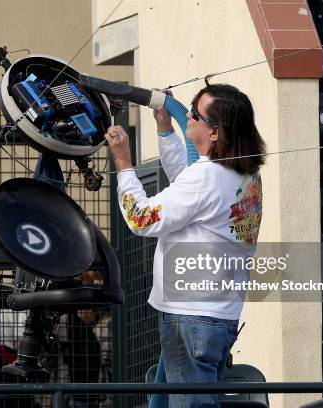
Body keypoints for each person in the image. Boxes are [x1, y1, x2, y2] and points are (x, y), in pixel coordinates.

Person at [104, 83, 265, 408]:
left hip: (190, 318)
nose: (187, 114)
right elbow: (187, 183)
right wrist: (166, 128)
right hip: (218, 315)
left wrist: (123, 162)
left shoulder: (207, 178)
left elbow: (141, 218)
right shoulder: (245, 174)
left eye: (194, 113)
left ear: (216, 132)